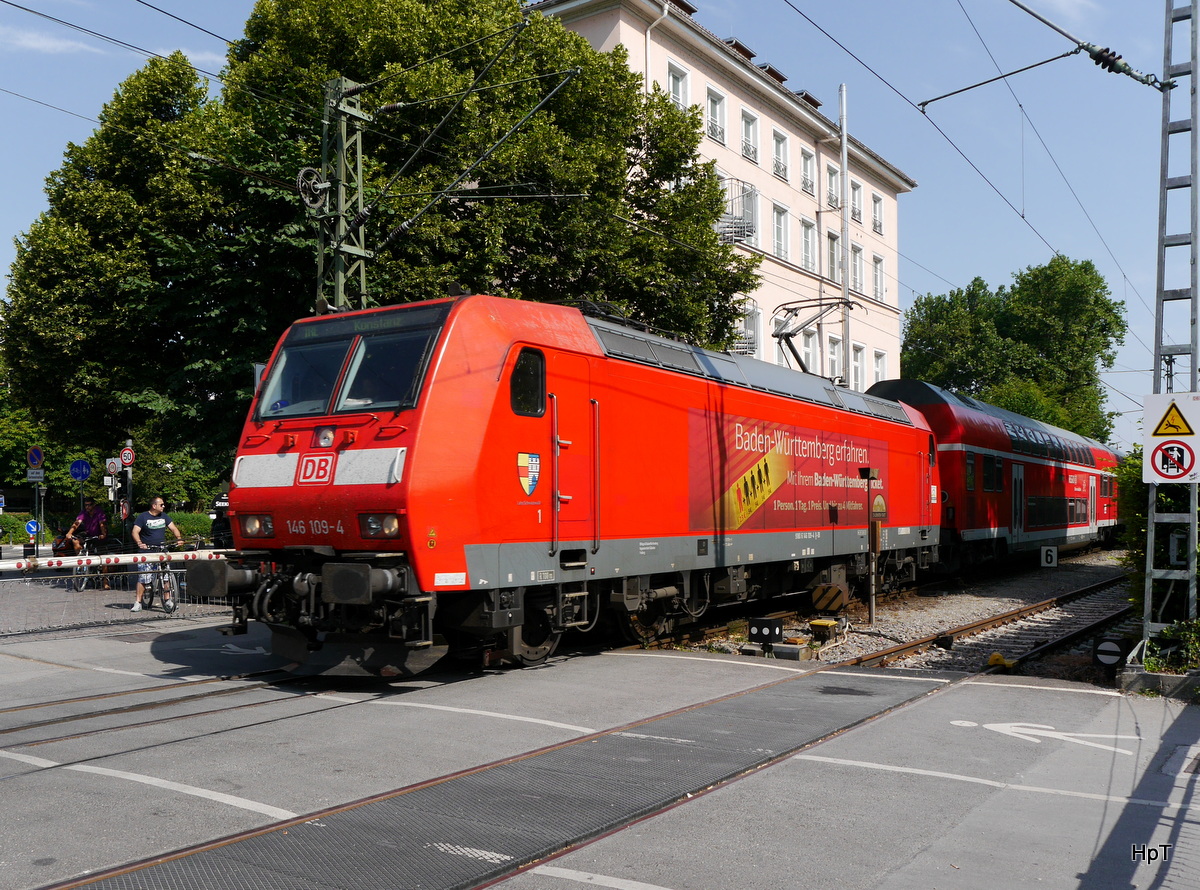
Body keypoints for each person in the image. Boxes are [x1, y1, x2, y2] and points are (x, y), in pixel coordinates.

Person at [130, 497, 186, 612]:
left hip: (161, 551)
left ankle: (168, 600)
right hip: (147, 552)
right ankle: (138, 602)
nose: (163, 506)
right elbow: (135, 531)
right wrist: (140, 543)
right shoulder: (143, 517)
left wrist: (179, 538)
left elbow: (174, 528)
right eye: (161, 504)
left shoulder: (164, 516)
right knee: (143, 578)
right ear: (154, 506)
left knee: (166, 576)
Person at [65, 497, 113, 589]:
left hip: (99, 535)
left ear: (93, 505)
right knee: (75, 540)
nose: (87, 507)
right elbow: (77, 523)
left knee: (103, 558)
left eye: (89, 505)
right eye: (86, 505)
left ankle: (105, 581)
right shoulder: (84, 512)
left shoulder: (99, 512)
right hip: (89, 534)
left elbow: (102, 524)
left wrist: (103, 534)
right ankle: (81, 558)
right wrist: (70, 533)